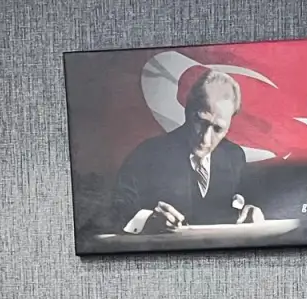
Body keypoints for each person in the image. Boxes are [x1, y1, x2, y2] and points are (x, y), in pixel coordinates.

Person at [109, 69, 264, 233]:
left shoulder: (235, 157)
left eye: (218, 129)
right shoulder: (147, 155)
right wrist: (147, 220)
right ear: (187, 111)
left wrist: (252, 210)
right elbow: (115, 212)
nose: (206, 139)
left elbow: (248, 200)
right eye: (201, 122)